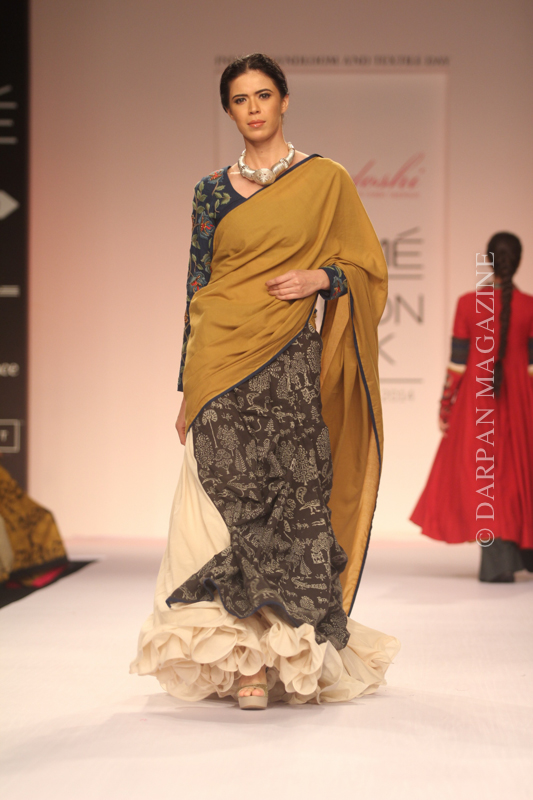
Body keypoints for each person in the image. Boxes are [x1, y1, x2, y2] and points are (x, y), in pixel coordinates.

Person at [131, 53, 399, 709]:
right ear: (229, 110)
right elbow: (197, 286)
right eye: (240, 99)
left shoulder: (325, 180)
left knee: (289, 500)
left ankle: (283, 655)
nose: (253, 108)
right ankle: (245, 665)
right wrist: (187, 385)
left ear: (284, 100)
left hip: (287, 362)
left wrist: (320, 278)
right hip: (218, 361)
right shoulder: (210, 191)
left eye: (263, 95)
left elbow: (367, 268)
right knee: (225, 506)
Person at [411, 232, 533, 582]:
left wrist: (445, 407)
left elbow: (457, 365)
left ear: (489, 260)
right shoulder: (530, 307)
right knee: (516, 474)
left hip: (477, 403)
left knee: (484, 476)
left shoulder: (468, 304)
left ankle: (498, 561)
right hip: (520, 401)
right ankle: (518, 554)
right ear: (518, 262)